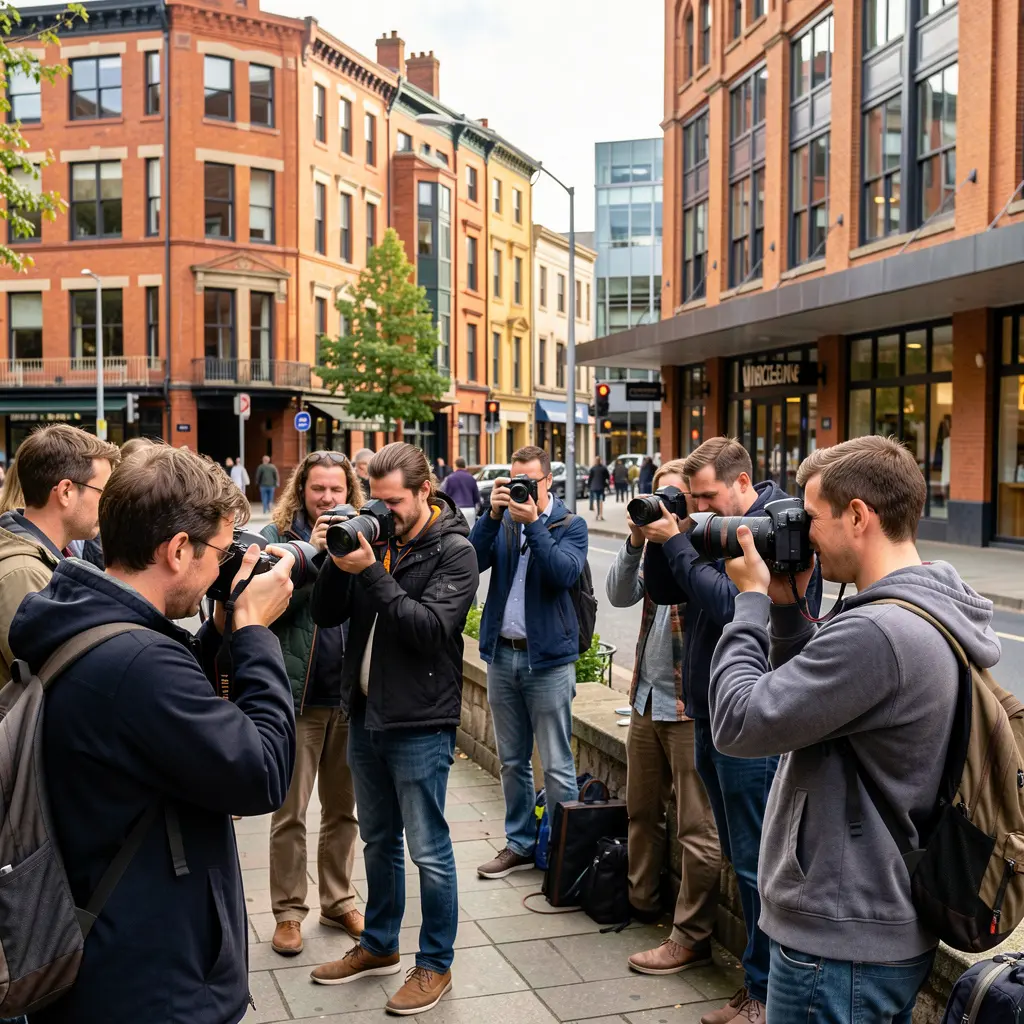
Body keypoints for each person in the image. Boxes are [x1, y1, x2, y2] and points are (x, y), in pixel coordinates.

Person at [710, 435, 1000, 1023]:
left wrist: (750, 602)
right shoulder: (923, 611)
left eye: (812, 518)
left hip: (840, 945)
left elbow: (738, 721)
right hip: (873, 924)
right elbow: (814, 708)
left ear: (859, 516)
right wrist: (789, 606)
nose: (802, 532)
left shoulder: (878, 634)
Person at [10, 444, 296, 1023]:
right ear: (177, 549)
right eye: (218, 550)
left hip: (109, 948)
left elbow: (161, 714)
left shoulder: (82, 614)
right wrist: (255, 632)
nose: (221, 567)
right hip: (152, 980)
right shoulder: (138, 663)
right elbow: (263, 773)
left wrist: (216, 635)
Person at [640, 436, 821, 1024]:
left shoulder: (776, 530)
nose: (700, 507)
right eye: (692, 497)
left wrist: (683, 549)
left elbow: (739, 605)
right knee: (742, 860)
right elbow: (666, 589)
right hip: (710, 712)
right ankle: (757, 987)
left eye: (707, 495)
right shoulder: (714, 524)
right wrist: (660, 534)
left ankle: (765, 997)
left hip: (754, 724)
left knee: (755, 863)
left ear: (743, 482)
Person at [309, 442, 478, 1016]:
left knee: (430, 850)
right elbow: (326, 614)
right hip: (364, 714)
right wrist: (336, 556)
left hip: (419, 720)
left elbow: (429, 629)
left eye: (395, 501)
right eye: (376, 500)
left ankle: (434, 965)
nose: (386, 511)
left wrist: (374, 575)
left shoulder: (455, 550)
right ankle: (379, 945)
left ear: (425, 491)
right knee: (379, 840)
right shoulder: (373, 537)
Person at [606, 458, 721, 976]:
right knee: (641, 811)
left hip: (686, 705)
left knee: (697, 830)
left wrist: (676, 538)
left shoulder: (703, 546)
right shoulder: (653, 546)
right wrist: (636, 540)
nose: (661, 506)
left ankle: (690, 936)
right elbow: (618, 594)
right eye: (658, 496)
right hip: (646, 696)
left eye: (672, 497)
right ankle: (640, 903)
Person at [469, 445, 589, 879]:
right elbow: (471, 562)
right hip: (503, 655)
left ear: (548, 482)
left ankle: (559, 850)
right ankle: (519, 843)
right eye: (513, 479)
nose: (521, 488)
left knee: (556, 763)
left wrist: (534, 524)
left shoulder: (570, 524)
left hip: (550, 663)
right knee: (512, 760)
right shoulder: (502, 524)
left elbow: (563, 574)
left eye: (529, 482)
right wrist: (491, 515)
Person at [263, 451, 365, 957]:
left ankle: (339, 898)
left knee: (343, 812)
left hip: (346, 699)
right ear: (301, 490)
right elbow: (267, 607)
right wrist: (313, 555)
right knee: (290, 813)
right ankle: (287, 911)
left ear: (350, 493)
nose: (328, 499)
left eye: (337, 490)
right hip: (296, 699)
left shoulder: (362, 537)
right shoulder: (276, 542)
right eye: (319, 489)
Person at [0, 424, 120, 685]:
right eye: (104, 493)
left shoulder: (45, 557)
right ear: (66, 492)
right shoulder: (25, 573)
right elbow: (59, 681)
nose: (107, 506)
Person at [441, 456, 481, 529]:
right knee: (470, 532)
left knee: (457, 532)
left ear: (455, 465)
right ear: (465, 465)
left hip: (456, 509)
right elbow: (476, 497)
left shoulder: (450, 478)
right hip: (470, 509)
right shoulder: (471, 478)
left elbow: (445, 495)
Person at [587, 456, 610, 520]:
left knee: (595, 501)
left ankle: (596, 515)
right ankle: (601, 515)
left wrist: (588, 486)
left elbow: (590, 478)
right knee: (600, 501)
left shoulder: (592, 469)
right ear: (600, 461)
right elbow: (607, 476)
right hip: (601, 487)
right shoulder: (603, 468)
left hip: (593, 487)